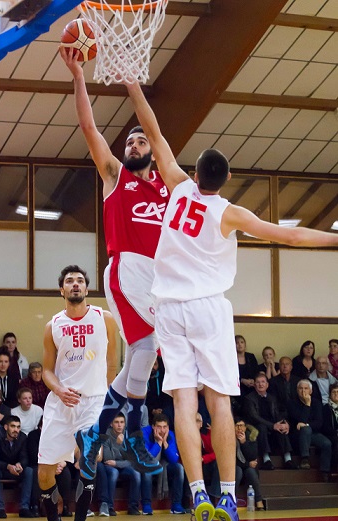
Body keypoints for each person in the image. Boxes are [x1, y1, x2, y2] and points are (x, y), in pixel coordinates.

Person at [123, 78, 338, 521]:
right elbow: (291, 234)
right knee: (219, 402)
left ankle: (196, 493)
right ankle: (225, 495)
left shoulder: (178, 186)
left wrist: (132, 83)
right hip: (207, 309)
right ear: (227, 180)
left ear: (196, 173)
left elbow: (153, 129)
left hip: (168, 310)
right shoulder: (230, 213)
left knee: (184, 402)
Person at [59, 47, 169, 478]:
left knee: (140, 358)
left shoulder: (168, 186)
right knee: (145, 350)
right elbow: (88, 126)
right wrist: (79, 75)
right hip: (126, 270)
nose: (134, 144)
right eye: (129, 142)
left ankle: (95, 434)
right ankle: (139, 435)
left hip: (159, 280)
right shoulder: (115, 177)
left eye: (140, 140)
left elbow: (156, 130)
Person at [38, 265, 117, 521]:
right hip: (60, 402)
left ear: (86, 288)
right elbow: (47, 371)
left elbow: (113, 363)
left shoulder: (104, 318)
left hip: (93, 400)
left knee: (90, 457)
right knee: (43, 472)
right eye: (70, 281)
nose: (75, 284)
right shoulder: (53, 326)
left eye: (80, 280)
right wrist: (59, 389)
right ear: (62, 290)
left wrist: (108, 402)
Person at [243, 373, 296, 470]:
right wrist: (272, 426)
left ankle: (288, 459)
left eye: (263, 382)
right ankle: (266, 460)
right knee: (262, 427)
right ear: (254, 385)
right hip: (257, 425)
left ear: (267, 385)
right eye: (258, 382)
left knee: (282, 426)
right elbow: (254, 417)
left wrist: (284, 423)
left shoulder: (272, 397)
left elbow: (278, 413)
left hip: (272, 424)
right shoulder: (249, 398)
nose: (260, 384)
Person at [96, 412, 141, 517]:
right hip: (108, 467)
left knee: (136, 473)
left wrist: (117, 462)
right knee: (114, 473)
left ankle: (133, 507)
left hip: (120, 465)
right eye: (116, 422)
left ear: (125, 423)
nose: (119, 425)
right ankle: (110, 507)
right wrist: (118, 444)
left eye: (122, 422)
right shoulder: (106, 435)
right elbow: (107, 458)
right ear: (111, 424)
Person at [28, 417, 73, 518]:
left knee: (66, 473)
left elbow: (68, 452)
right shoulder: (33, 435)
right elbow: (33, 454)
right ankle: (35, 506)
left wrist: (63, 463)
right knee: (38, 473)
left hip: (58, 464)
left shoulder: (60, 435)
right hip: (39, 464)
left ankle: (64, 505)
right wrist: (52, 465)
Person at [141, 414, 185, 515]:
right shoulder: (144, 433)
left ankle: (176, 505)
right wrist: (158, 443)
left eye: (165, 427)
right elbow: (148, 459)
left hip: (164, 465)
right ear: (153, 427)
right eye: (159, 427)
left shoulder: (170, 434)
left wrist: (165, 442)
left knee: (179, 468)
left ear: (168, 427)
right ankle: (146, 505)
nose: (162, 430)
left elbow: (174, 459)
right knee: (146, 471)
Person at [287, 379, 332, 481]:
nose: (303, 391)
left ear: (310, 391)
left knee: (327, 443)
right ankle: (304, 459)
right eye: (301, 388)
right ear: (297, 390)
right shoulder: (292, 403)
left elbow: (319, 423)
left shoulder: (316, 403)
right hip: (297, 434)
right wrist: (307, 405)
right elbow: (299, 421)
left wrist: (306, 424)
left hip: (313, 433)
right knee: (305, 429)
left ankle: (325, 471)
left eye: (306, 388)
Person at [0, 415, 34, 519]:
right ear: (6, 427)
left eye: (18, 427)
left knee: (29, 471)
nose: (16, 430)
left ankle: (24, 508)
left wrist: (20, 464)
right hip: (2, 469)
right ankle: (0, 508)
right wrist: (7, 466)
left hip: (16, 469)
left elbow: (25, 457)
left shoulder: (23, 437)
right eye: (13, 426)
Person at [234, 417, 264, 511]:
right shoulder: (229, 439)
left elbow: (253, 457)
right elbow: (232, 460)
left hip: (248, 468)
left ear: (245, 428)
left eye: (242, 426)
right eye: (237, 426)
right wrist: (247, 464)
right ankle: (232, 499)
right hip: (236, 467)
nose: (240, 429)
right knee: (238, 470)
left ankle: (259, 501)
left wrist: (244, 443)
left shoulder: (251, 436)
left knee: (251, 471)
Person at [322, 383, 338, 473]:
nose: (336, 394)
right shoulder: (326, 408)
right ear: (330, 394)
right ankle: (333, 469)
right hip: (331, 435)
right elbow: (325, 427)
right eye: (334, 392)